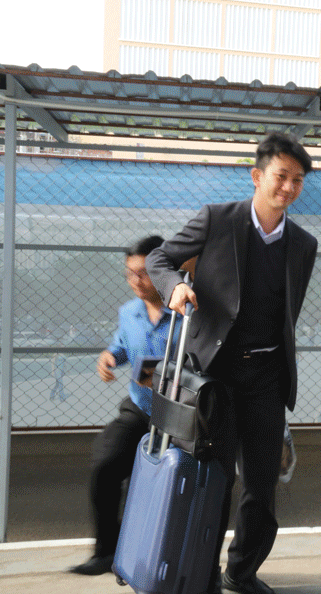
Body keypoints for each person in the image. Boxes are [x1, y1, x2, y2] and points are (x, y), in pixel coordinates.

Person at [146, 132, 318, 594]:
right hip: (214, 378)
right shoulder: (216, 220)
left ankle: (240, 573)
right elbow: (159, 258)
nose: (288, 187)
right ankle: (198, 573)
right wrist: (174, 287)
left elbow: (287, 312)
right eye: (281, 176)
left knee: (262, 489)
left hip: (265, 379)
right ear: (257, 175)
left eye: (297, 180)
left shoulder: (303, 244)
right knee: (212, 481)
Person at [69, 235, 179, 576]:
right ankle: (106, 552)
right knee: (106, 463)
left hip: (178, 413)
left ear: (163, 270)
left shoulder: (186, 310)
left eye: (144, 273)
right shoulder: (128, 312)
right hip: (140, 407)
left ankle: (163, 558)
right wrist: (109, 357)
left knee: (159, 484)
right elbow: (120, 344)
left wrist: (163, 376)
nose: (136, 281)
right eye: (130, 273)